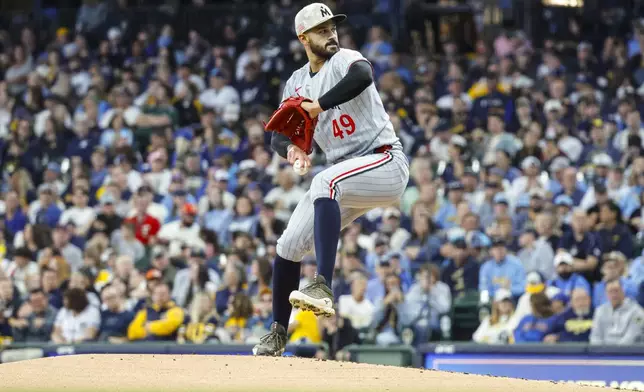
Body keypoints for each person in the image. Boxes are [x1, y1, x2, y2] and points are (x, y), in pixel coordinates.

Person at [253, 3, 409, 356]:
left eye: (333, 28)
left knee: (326, 182)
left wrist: (319, 105)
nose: (331, 34)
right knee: (288, 245)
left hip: (384, 159)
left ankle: (322, 286)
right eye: (322, 30)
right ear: (303, 38)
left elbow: (362, 77)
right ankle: (277, 333)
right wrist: (293, 151)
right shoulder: (296, 82)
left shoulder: (344, 60)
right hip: (346, 177)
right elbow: (279, 134)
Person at [590, 279, 644, 345]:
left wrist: (614, 352)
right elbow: (595, 336)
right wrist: (600, 351)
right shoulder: (600, 311)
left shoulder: (638, 312)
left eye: (616, 291)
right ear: (606, 294)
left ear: (623, 291)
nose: (614, 295)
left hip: (628, 352)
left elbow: (632, 336)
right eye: (610, 292)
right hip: (602, 353)